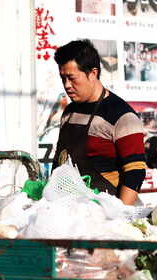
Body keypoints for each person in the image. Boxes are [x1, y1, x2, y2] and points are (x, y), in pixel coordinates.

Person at [52, 40, 146, 205]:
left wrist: (118, 218)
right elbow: (60, 161)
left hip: (105, 213)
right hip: (68, 211)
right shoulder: (69, 112)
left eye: (72, 78)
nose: (67, 85)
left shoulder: (122, 116)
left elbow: (135, 173)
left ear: (92, 73)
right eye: (63, 78)